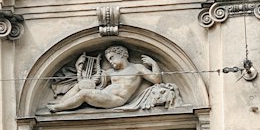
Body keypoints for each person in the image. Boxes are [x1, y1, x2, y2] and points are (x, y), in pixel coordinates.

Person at [47, 44, 176, 112]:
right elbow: (92, 81)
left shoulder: (137, 68)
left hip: (116, 99)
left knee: (85, 93)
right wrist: (79, 66)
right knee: (82, 87)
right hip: (103, 95)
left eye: (112, 57)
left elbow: (157, 80)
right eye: (108, 59)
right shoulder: (110, 72)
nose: (111, 62)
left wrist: (153, 64)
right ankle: (61, 103)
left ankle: (59, 108)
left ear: (123, 54)